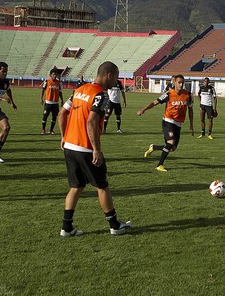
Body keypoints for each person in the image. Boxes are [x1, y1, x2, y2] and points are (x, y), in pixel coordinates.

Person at [58, 61, 132, 237]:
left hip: (69, 146)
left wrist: (63, 136)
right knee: (102, 186)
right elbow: (91, 122)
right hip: (85, 147)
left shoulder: (79, 90)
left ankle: (66, 228)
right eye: (115, 77)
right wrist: (96, 149)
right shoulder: (101, 94)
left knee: (76, 187)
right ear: (109, 75)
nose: (115, 82)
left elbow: (62, 113)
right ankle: (114, 225)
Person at [137, 74, 194, 172]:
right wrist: (143, 109)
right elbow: (155, 102)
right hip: (168, 121)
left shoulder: (188, 95)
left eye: (182, 83)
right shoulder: (169, 94)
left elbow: (190, 110)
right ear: (174, 82)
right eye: (179, 82)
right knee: (170, 142)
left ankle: (154, 147)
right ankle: (159, 165)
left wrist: (191, 125)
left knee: (172, 148)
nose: (181, 85)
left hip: (178, 124)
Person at [40, 69, 63, 135]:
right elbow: (43, 90)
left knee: (54, 117)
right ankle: (43, 130)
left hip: (55, 103)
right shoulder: (47, 81)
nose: (55, 76)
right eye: (53, 74)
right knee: (45, 116)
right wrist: (41, 99)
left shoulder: (59, 82)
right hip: (48, 103)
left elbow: (60, 92)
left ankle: (51, 130)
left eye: (56, 74)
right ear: (50, 75)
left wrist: (62, 100)